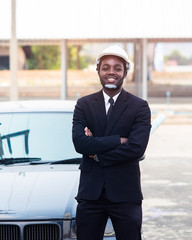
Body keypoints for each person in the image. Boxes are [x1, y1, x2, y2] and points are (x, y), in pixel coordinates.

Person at [72, 45, 151, 240]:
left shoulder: (139, 107)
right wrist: (117, 140)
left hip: (126, 195)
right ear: (98, 70)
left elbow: (135, 148)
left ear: (125, 72)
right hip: (91, 195)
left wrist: (96, 152)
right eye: (106, 67)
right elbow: (80, 144)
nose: (111, 72)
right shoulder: (84, 105)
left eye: (117, 68)